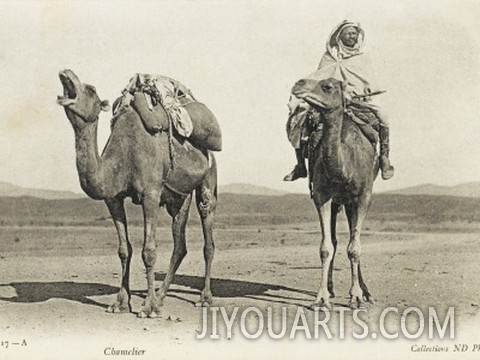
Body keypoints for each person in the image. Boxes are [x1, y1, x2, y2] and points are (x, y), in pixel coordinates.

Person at [284, 20, 394, 181]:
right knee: (300, 113)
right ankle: (300, 165)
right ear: (339, 35)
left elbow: (368, 81)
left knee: (384, 116)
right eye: (349, 32)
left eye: (355, 33)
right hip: (332, 99)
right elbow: (321, 79)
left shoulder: (362, 55)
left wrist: (361, 92)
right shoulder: (330, 55)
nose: (352, 36)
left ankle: (384, 158)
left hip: (357, 100)